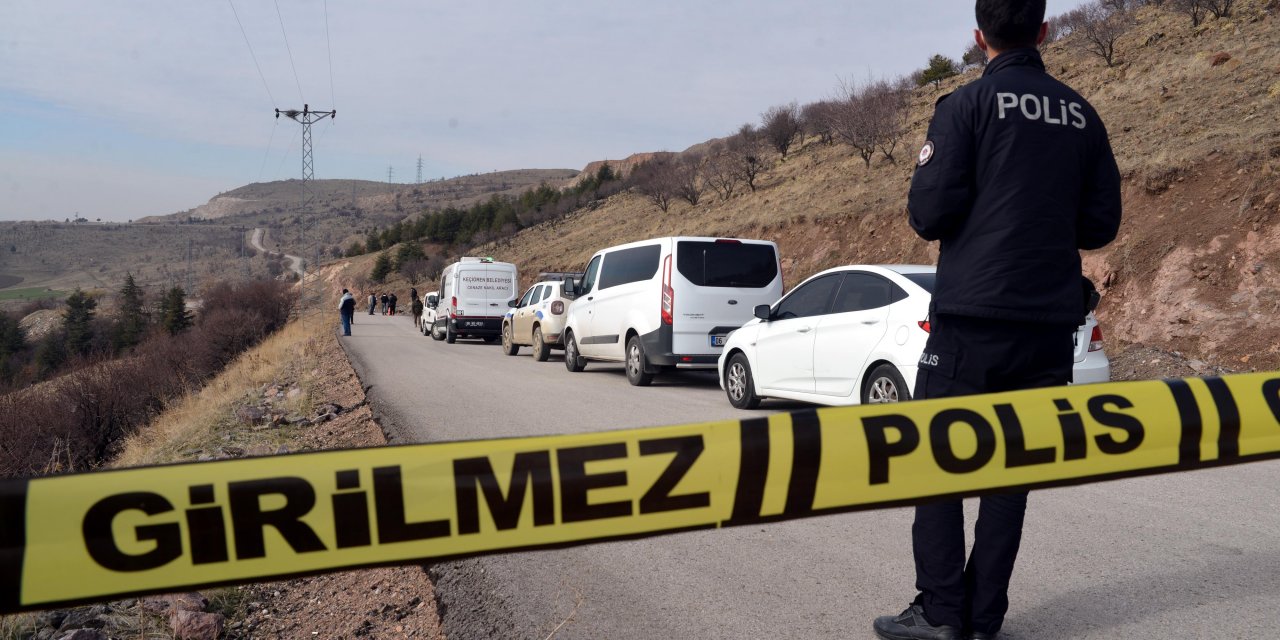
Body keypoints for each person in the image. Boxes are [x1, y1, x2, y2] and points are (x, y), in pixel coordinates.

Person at [873, 2, 1122, 639]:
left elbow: (928, 214)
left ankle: (940, 613)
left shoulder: (963, 108)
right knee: (1011, 476)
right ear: (1043, 32)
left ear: (979, 36)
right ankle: (984, 620)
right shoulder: (1081, 115)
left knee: (937, 464)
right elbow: (1100, 226)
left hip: (969, 323)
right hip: (1046, 327)